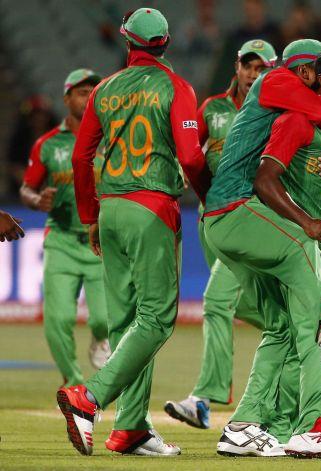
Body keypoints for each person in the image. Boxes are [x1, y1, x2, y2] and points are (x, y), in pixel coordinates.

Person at [203, 41, 321, 458]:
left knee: (284, 331)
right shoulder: (293, 116)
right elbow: (268, 179)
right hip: (279, 232)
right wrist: (307, 223)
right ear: (314, 76)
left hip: (270, 232)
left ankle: (245, 424)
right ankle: (313, 427)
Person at [58, 8, 211, 457]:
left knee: (129, 323)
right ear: (165, 44)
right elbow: (191, 155)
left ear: (127, 43)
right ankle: (88, 398)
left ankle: (131, 430)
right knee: (157, 319)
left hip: (110, 210)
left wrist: (89, 217)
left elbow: (81, 157)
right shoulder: (176, 87)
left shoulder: (103, 90)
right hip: (151, 209)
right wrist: (208, 194)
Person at [164, 38, 277, 429]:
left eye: (262, 68)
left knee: (215, 301)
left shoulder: (275, 112)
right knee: (251, 307)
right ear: (237, 66)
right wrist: (201, 196)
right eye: (249, 66)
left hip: (249, 219)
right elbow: (190, 157)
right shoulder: (212, 109)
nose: (253, 74)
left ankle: (203, 398)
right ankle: (304, 339)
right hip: (213, 219)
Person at [20, 69, 110, 388]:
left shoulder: (110, 137)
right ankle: (73, 385)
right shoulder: (48, 144)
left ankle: (100, 339)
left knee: (103, 320)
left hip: (100, 242)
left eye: (93, 91)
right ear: (67, 98)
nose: (89, 97)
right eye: (82, 92)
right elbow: (26, 188)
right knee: (58, 320)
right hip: (61, 239)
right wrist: (36, 199)